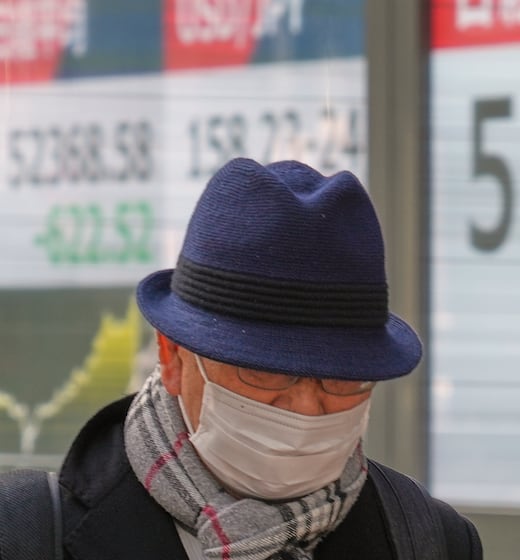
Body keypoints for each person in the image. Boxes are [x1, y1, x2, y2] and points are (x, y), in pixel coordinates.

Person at [50, 158, 483, 559]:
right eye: (263, 371)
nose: (307, 410)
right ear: (173, 359)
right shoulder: (24, 535)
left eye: (345, 378)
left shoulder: (432, 541)